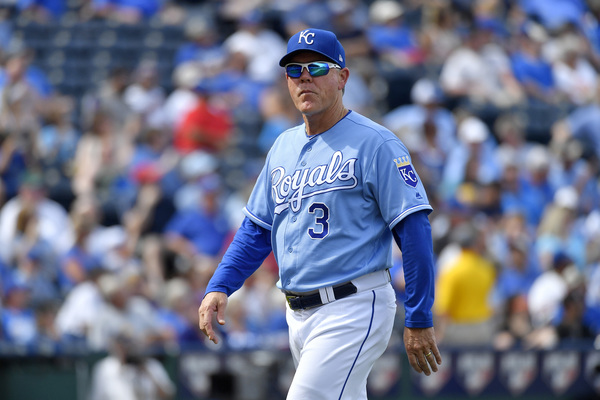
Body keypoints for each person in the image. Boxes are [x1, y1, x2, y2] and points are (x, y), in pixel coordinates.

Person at [198, 28, 442, 399]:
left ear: (342, 77)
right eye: (295, 71)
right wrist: (220, 284)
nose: (305, 78)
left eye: (316, 68)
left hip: (353, 306)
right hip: (298, 313)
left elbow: (414, 228)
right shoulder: (283, 145)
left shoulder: (376, 143)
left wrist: (419, 314)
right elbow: (257, 229)